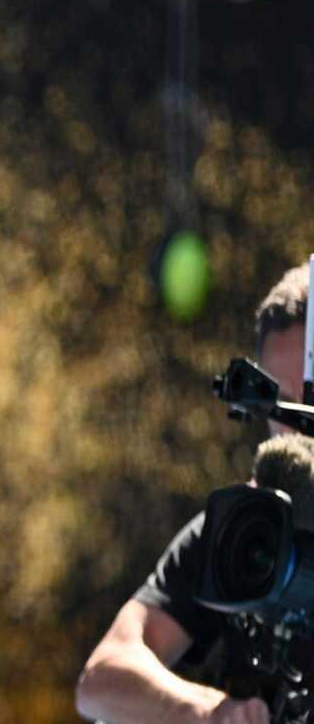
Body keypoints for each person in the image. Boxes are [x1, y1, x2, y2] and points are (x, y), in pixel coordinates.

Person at [76, 264, 310, 724]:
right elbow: (103, 677)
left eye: (308, 399)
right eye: (279, 402)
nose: (294, 425)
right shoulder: (241, 531)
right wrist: (210, 711)